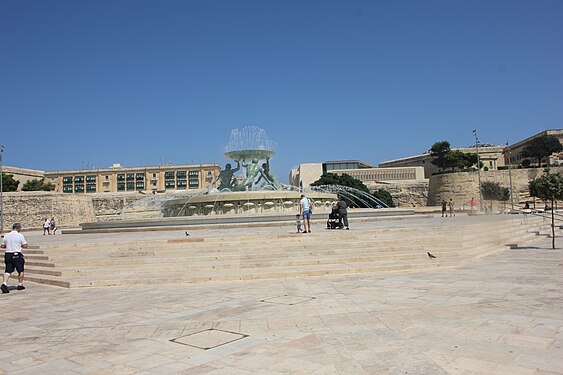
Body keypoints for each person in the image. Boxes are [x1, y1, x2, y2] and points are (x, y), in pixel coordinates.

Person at [1, 223, 29, 293]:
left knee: (8, 270)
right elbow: (25, 245)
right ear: (18, 228)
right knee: (20, 270)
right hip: (17, 254)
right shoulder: (19, 235)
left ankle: (4, 283)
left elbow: (2, 246)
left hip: (8, 254)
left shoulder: (6, 235)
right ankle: (20, 284)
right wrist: (21, 245)